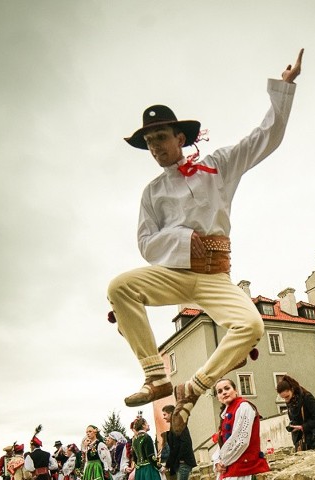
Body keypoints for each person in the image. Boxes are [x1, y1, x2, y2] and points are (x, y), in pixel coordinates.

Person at [107, 49, 304, 434]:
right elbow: (146, 242)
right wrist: (185, 242)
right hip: (175, 276)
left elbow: (265, 137)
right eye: (149, 142)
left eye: (161, 138)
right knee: (120, 287)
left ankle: (194, 388)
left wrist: (284, 87)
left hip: (214, 276)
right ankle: (156, 376)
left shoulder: (218, 165)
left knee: (251, 325)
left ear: (180, 137)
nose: (156, 148)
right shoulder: (153, 192)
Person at [162, 404, 197, 480]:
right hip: (180, 462)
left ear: (171, 413)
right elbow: (174, 447)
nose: (164, 417)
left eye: (165, 414)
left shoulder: (179, 425)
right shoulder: (174, 426)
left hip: (184, 462)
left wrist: (180, 460)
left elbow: (184, 444)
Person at [276, 375, 315, 452]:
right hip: (300, 443)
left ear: (292, 389)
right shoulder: (291, 402)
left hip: (314, 441)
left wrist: (302, 427)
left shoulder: (306, 397)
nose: (286, 400)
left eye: (287, 396)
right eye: (283, 398)